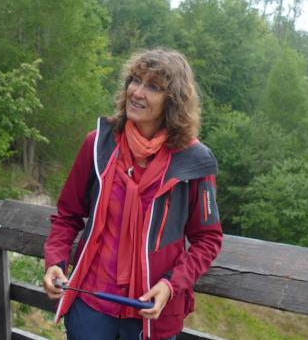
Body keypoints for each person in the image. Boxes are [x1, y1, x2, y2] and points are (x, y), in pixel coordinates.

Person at [42, 49, 223, 340]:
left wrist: (171, 284)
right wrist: (55, 261)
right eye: (134, 81)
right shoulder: (98, 144)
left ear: (173, 100)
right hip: (90, 307)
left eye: (153, 87)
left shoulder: (194, 162)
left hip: (150, 313)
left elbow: (208, 239)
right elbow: (68, 215)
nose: (137, 92)